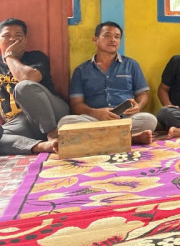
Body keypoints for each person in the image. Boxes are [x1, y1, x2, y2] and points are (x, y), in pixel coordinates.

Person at [58, 21, 157, 145]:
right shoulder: (81, 70)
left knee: (149, 120)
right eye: (107, 35)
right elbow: (76, 103)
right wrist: (96, 113)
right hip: (94, 120)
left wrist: (138, 106)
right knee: (65, 122)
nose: (113, 40)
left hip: (124, 119)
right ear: (95, 40)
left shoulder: (131, 65)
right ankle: (128, 138)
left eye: (117, 37)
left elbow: (143, 95)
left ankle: (98, 139)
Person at [0, 18, 64, 154]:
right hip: (21, 123)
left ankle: (52, 133)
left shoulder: (36, 57)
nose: (12, 39)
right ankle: (43, 146)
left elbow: (27, 78)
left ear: (25, 40)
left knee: (23, 87)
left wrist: (9, 56)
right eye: (6, 36)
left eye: (18, 36)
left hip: (52, 113)